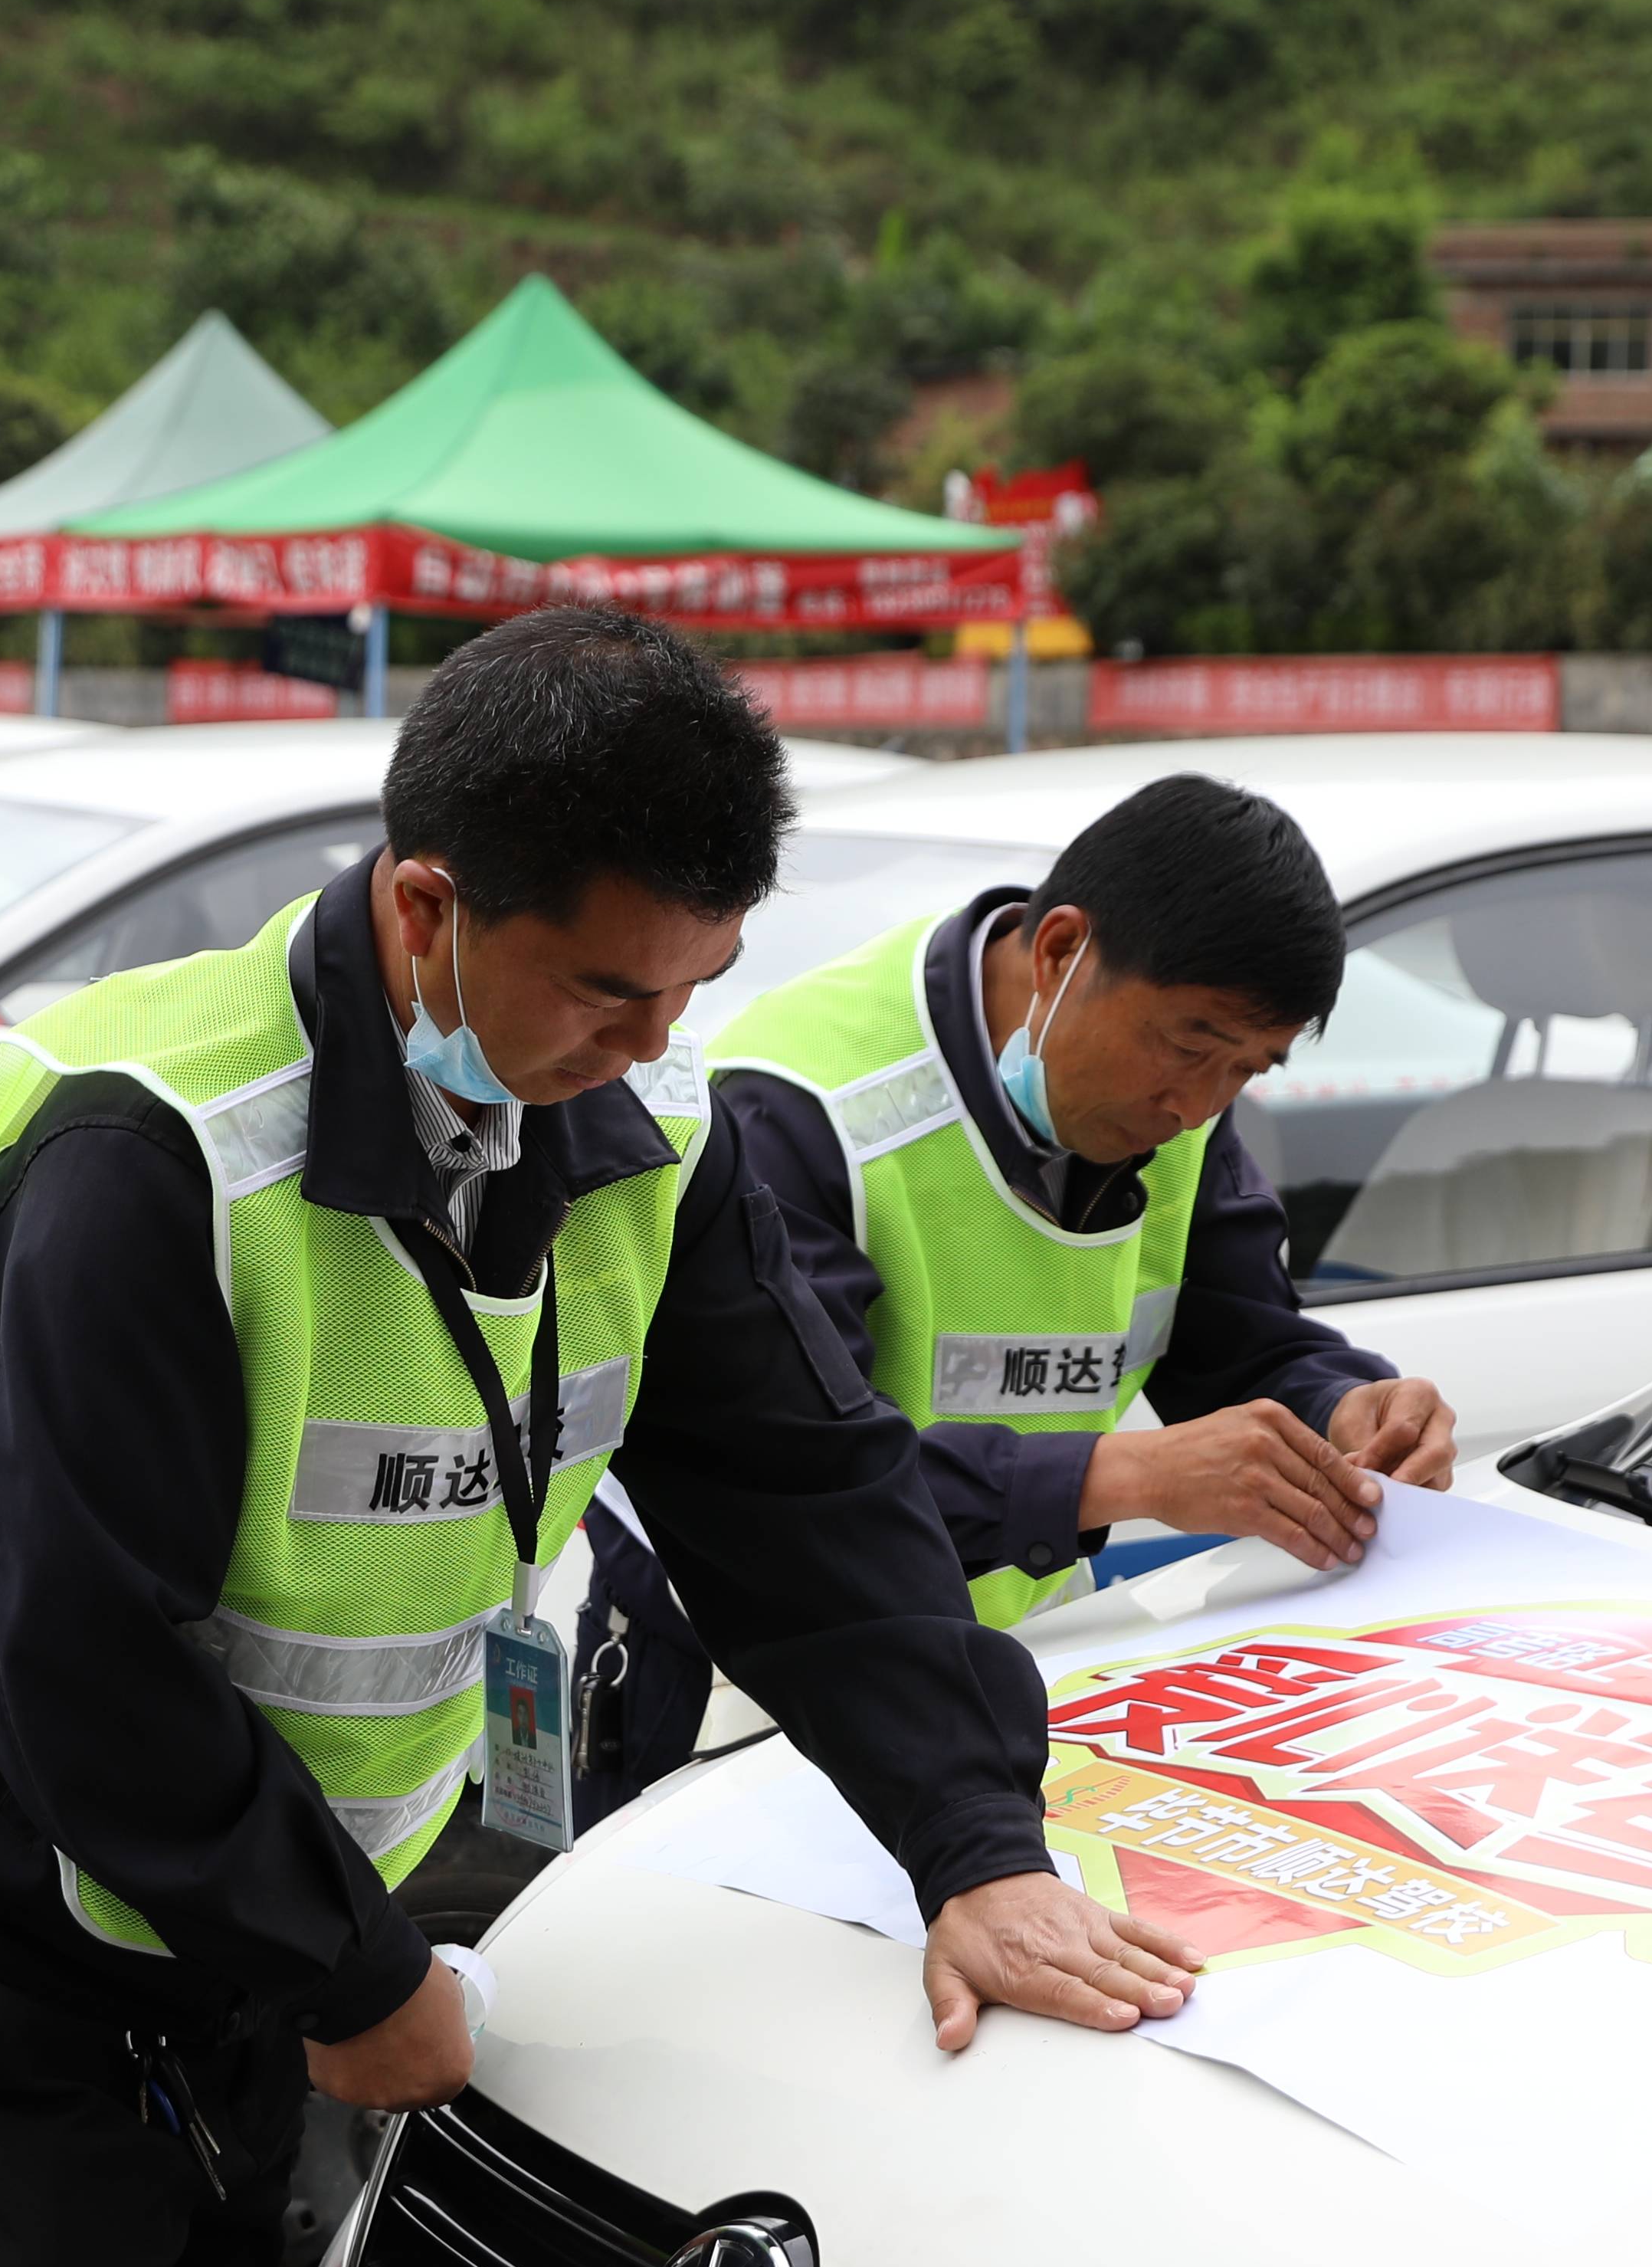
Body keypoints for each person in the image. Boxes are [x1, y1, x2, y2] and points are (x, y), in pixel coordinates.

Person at [0, 606, 1197, 2267]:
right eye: (605, 988)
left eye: (691, 988)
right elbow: (79, 1657)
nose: (646, 1043)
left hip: (237, 1904)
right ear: (429, 909)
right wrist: (345, 1977)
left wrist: (972, 1841)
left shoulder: (642, 1134)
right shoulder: (149, 1151)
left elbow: (807, 1500)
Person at [580, 773, 1455, 1809]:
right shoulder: (801, 1110)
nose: (1199, 1104)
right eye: (1190, 1048)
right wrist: (1124, 1476)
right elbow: (795, 1483)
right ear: (1058, 952)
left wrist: (1345, 1404)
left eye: (1248, 1071)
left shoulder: (1177, 1115)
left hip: (1013, 1660)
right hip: (750, 1677)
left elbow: (1243, 1344)